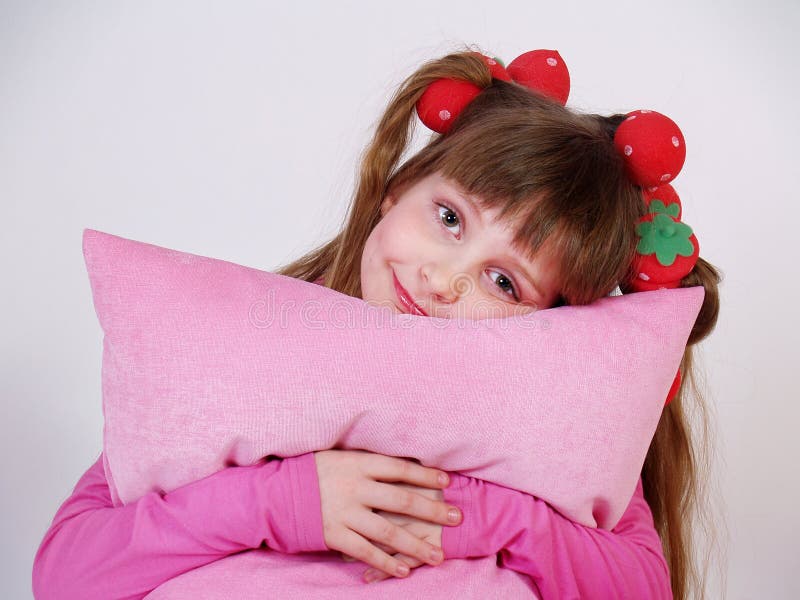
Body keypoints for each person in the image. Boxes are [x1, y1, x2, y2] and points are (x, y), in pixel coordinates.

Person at [32, 47, 721, 600]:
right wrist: (285, 501)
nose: (445, 282)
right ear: (398, 191)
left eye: (504, 281)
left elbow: (640, 586)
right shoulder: (246, 354)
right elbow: (66, 574)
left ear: (553, 323)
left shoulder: (546, 425)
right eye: (449, 218)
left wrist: (475, 513)